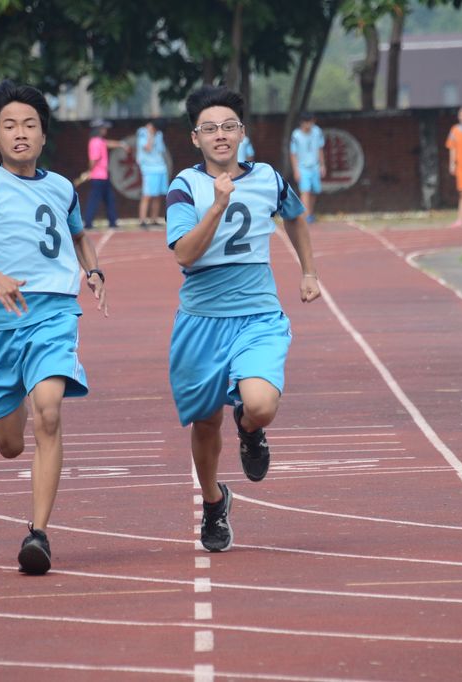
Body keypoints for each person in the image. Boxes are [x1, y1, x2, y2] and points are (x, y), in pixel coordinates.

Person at [0, 80, 109, 575]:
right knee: (10, 444)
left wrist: (93, 271)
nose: (20, 133)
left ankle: (38, 535)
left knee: (48, 412)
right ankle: (7, 396)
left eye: (30, 124)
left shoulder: (62, 188)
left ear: (43, 134)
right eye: (9, 125)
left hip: (51, 312)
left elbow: (79, 236)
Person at [166, 86, 320, 552]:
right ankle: (214, 502)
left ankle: (251, 429)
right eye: (210, 128)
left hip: (258, 315)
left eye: (229, 126)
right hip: (201, 321)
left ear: (242, 133)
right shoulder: (184, 187)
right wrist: (217, 205)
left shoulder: (268, 177)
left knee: (261, 404)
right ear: (195, 138)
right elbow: (184, 254)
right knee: (205, 424)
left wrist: (308, 271)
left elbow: (295, 216)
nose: (221, 135)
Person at [84, 118, 128, 229]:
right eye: (103, 128)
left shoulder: (100, 141)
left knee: (109, 199)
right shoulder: (95, 142)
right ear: (98, 129)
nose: (105, 130)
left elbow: (108, 143)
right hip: (98, 177)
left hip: (104, 176)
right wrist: (90, 171)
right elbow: (93, 159)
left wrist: (121, 144)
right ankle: (88, 223)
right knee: (94, 200)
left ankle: (112, 222)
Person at [289, 112, 326, 223]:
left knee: (314, 191)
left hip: (315, 166)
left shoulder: (317, 131)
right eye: (306, 122)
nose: (308, 125)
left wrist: (322, 165)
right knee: (305, 191)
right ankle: (305, 216)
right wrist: (296, 170)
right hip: (302, 167)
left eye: (310, 122)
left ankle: (310, 213)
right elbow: (293, 154)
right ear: (301, 123)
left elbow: (320, 149)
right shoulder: (296, 135)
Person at [136, 120, 168, 229]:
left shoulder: (159, 134)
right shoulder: (142, 132)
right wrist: (150, 134)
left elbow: (161, 150)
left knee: (158, 195)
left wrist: (155, 134)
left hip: (161, 167)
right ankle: (142, 220)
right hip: (148, 168)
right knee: (147, 195)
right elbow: (148, 148)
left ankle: (154, 219)